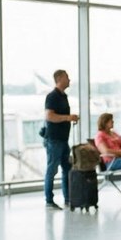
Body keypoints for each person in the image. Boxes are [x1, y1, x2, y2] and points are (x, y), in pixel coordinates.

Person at [43, 70, 79, 209]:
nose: (69, 80)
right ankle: (49, 200)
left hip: (63, 140)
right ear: (59, 79)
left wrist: (70, 118)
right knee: (52, 170)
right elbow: (49, 116)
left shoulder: (64, 96)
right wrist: (67, 118)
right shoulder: (52, 96)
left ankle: (68, 198)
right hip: (54, 140)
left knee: (67, 169)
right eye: (67, 77)